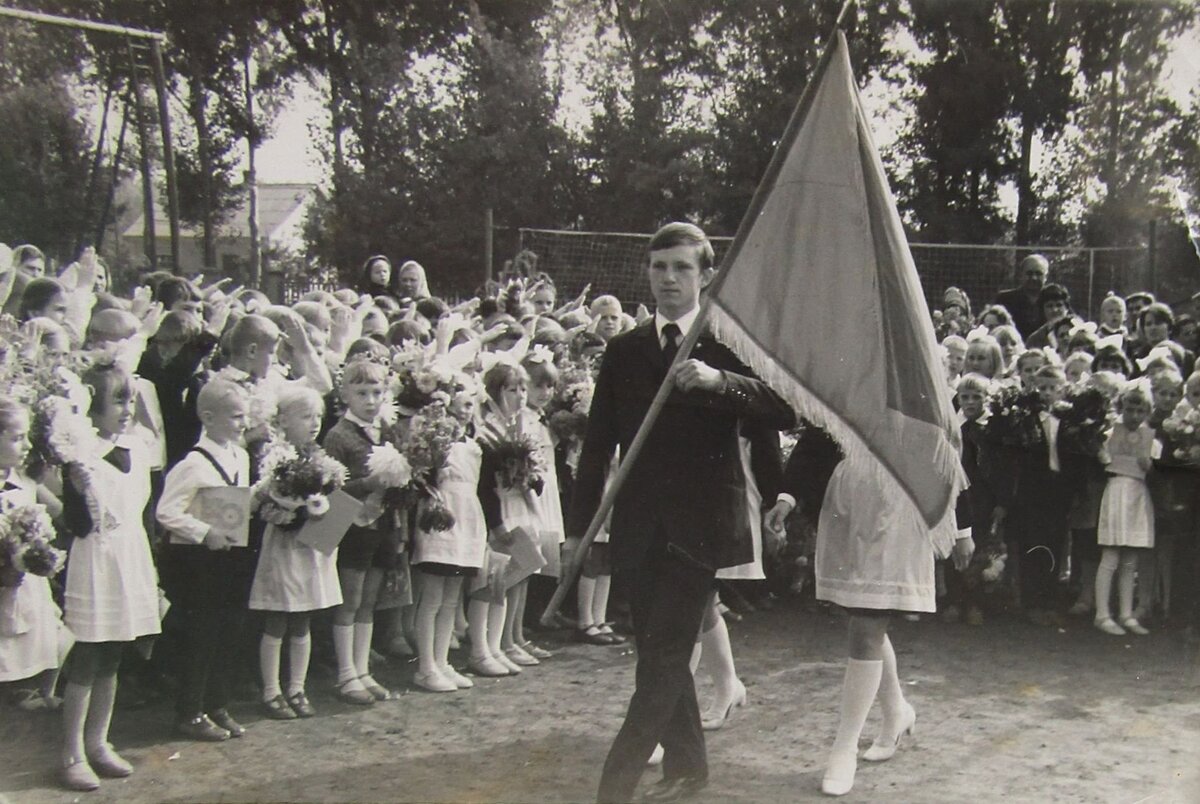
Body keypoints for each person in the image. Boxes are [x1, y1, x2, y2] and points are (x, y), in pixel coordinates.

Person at [568, 222, 794, 803]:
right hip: (640, 527)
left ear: (706, 277)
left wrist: (721, 382)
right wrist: (577, 532)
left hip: (702, 529)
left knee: (665, 653)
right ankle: (689, 770)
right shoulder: (625, 351)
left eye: (682, 268)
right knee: (659, 650)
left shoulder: (727, 347)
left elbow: (784, 410)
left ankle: (612, 789)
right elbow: (596, 447)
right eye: (659, 267)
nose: (669, 279)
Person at [764, 424, 972, 797]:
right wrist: (787, 498)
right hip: (847, 502)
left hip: (900, 504)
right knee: (863, 621)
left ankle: (845, 748)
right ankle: (896, 711)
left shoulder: (917, 376)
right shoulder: (848, 370)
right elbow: (816, 439)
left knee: (866, 625)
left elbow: (946, 453)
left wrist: (961, 527)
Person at [57, 362, 162, 790]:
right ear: (92, 407)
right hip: (96, 561)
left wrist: (151, 570)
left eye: (130, 399)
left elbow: (144, 514)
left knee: (115, 653)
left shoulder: (138, 447)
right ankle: (70, 752)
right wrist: (78, 489)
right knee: (88, 655)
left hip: (131, 557)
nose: (126, 408)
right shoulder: (80, 459)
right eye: (117, 400)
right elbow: (79, 525)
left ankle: (98, 742)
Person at [156, 378, 253, 742]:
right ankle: (190, 711)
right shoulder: (192, 464)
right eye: (235, 417)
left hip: (230, 556)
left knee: (229, 630)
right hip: (197, 561)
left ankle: (217, 704)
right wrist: (203, 531)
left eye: (244, 416)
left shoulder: (240, 455)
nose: (242, 423)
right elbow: (166, 512)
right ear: (208, 417)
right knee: (202, 635)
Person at [248, 387, 345, 719]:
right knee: (278, 618)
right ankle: (271, 690)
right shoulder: (277, 456)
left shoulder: (319, 457)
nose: (315, 423)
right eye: (306, 417)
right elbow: (268, 493)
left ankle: (297, 687)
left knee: (303, 618)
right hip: (285, 547)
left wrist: (326, 511)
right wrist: (290, 508)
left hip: (311, 548)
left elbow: (330, 498)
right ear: (283, 420)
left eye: (318, 416)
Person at [322, 357, 405, 705]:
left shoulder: (387, 431)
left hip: (382, 523)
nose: (370, 401)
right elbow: (331, 488)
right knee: (351, 599)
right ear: (345, 395)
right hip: (351, 525)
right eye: (362, 393)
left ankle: (362, 669)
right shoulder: (339, 435)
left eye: (376, 392)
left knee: (370, 600)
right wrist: (368, 484)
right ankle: (345, 674)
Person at [410, 378, 485, 692]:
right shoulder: (432, 439)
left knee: (452, 598)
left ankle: (441, 662)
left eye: (470, 404)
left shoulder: (473, 443)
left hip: (467, 515)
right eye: (460, 404)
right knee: (432, 597)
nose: (465, 411)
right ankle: (425, 667)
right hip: (441, 514)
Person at [0, 401, 67, 712]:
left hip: (28, 578)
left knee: (47, 630)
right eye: (17, 438)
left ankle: (38, 688)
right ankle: (16, 691)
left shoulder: (24, 481)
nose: (26, 445)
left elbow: (56, 511)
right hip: (6, 580)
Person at [1094, 381, 1156, 636]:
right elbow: (1102, 458)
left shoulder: (1149, 437)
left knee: (1131, 559)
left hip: (1138, 494)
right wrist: (1104, 453)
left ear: (1146, 412)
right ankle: (1102, 614)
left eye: (1139, 411)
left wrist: (1147, 463)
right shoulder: (1110, 434)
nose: (1134, 416)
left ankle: (1126, 613)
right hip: (1117, 491)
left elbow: (1152, 468)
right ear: (1121, 409)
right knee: (1111, 556)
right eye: (1129, 410)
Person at [994, 254, 1050, 338]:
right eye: (1029, 273)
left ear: (1046, 276)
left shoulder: (1054, 300)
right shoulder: (1005, 299)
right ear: (1021, 275)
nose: (1034, 278)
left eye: (1038, 274)